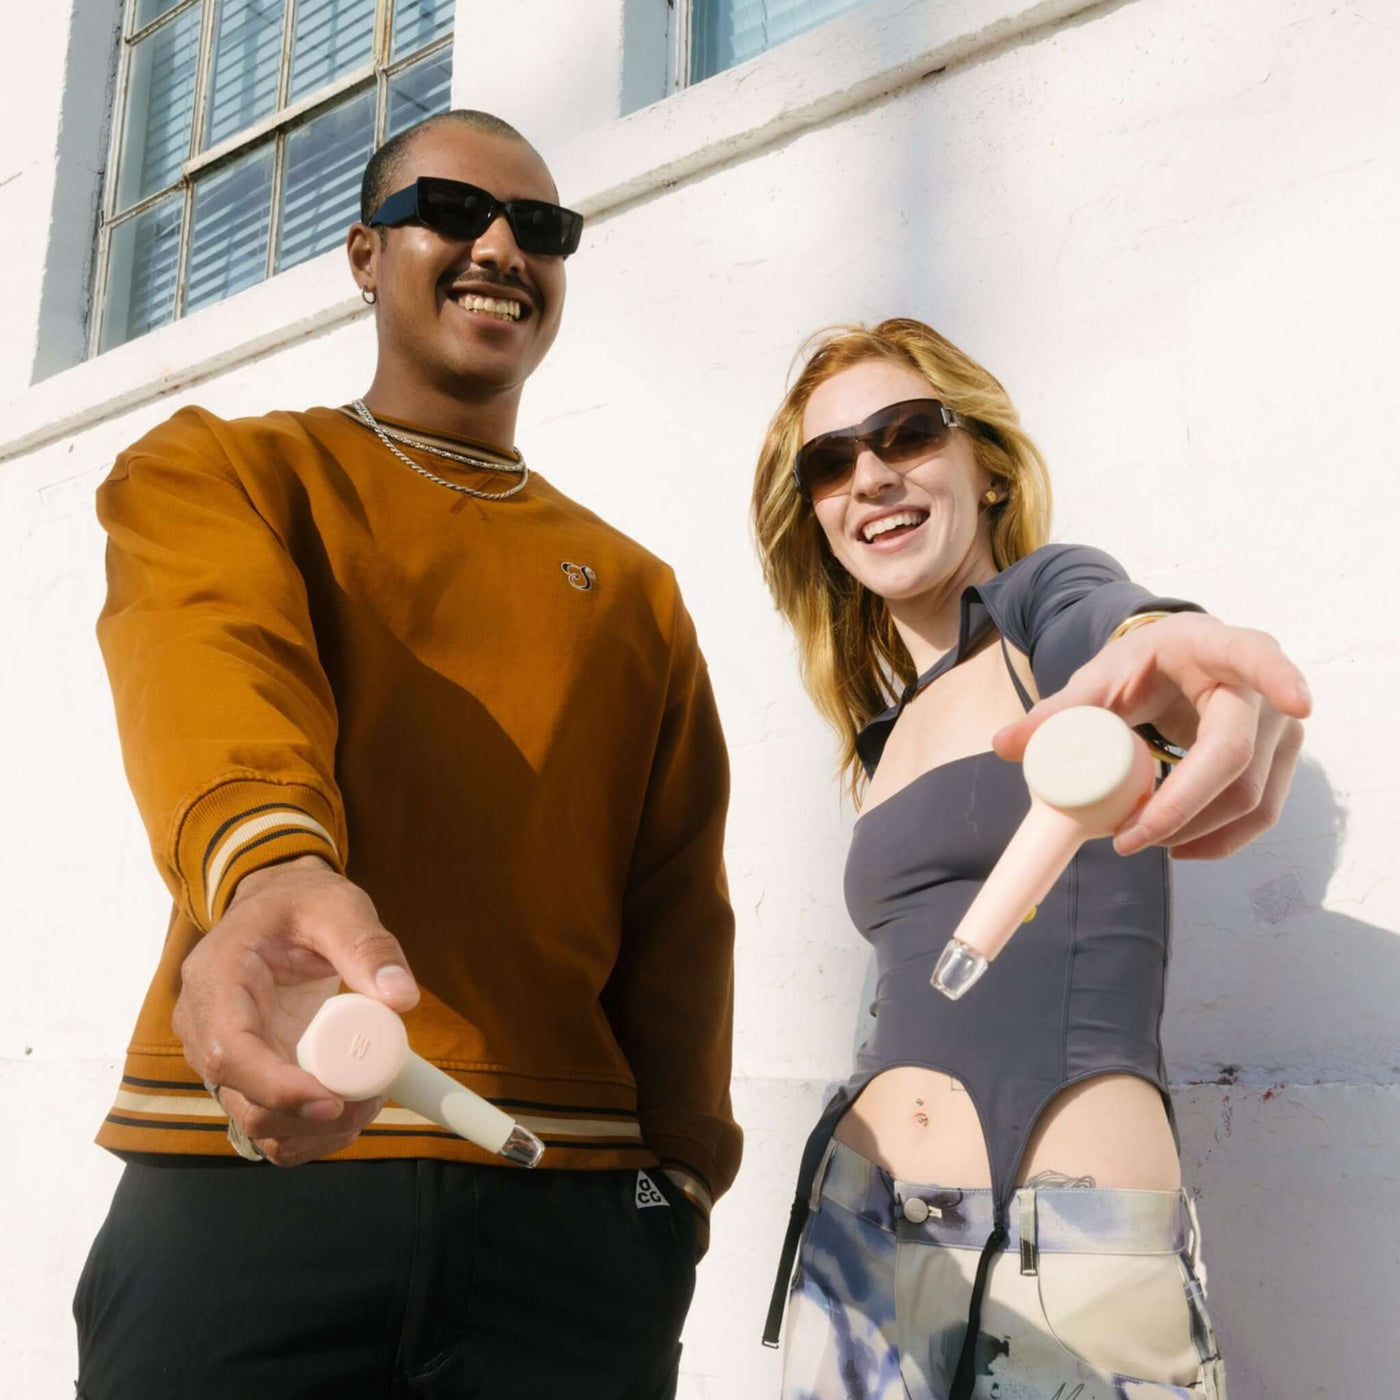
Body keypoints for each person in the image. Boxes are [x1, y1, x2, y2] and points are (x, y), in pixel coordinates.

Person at [73, 110, 740, 1400]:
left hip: (575, 1216)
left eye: (541, 229)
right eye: (454, 209)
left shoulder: (636, 591)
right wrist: (269, 869)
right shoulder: (226, 469)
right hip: (253, 1171)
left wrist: (684, 1183)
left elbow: (678, 904)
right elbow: (215, 661)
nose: (500, 244)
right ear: (365, 252)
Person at [751, 319, 1307, 1399]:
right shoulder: (878, 735)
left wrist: (1160, 639)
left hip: (1066, 1253)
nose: (868, 475)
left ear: (987, 467)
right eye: (828, 462)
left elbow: (1106, 620)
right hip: (864, 1237)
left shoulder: (1045, 639)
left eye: (905, 433)